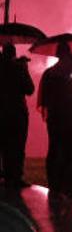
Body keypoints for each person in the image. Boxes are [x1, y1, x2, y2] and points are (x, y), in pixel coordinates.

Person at [38, 42, 72, 200]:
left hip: (55, 121)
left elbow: (45, 101)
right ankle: (70, 188)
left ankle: (55, 186)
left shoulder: (49, 74)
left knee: (55, 152)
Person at [0, 43, 35, 189]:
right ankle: (15, 176)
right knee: (17, 146)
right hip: (17, 113)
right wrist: (24, 69)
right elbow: (29, 89)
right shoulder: (18, 69)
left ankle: (5, 174)